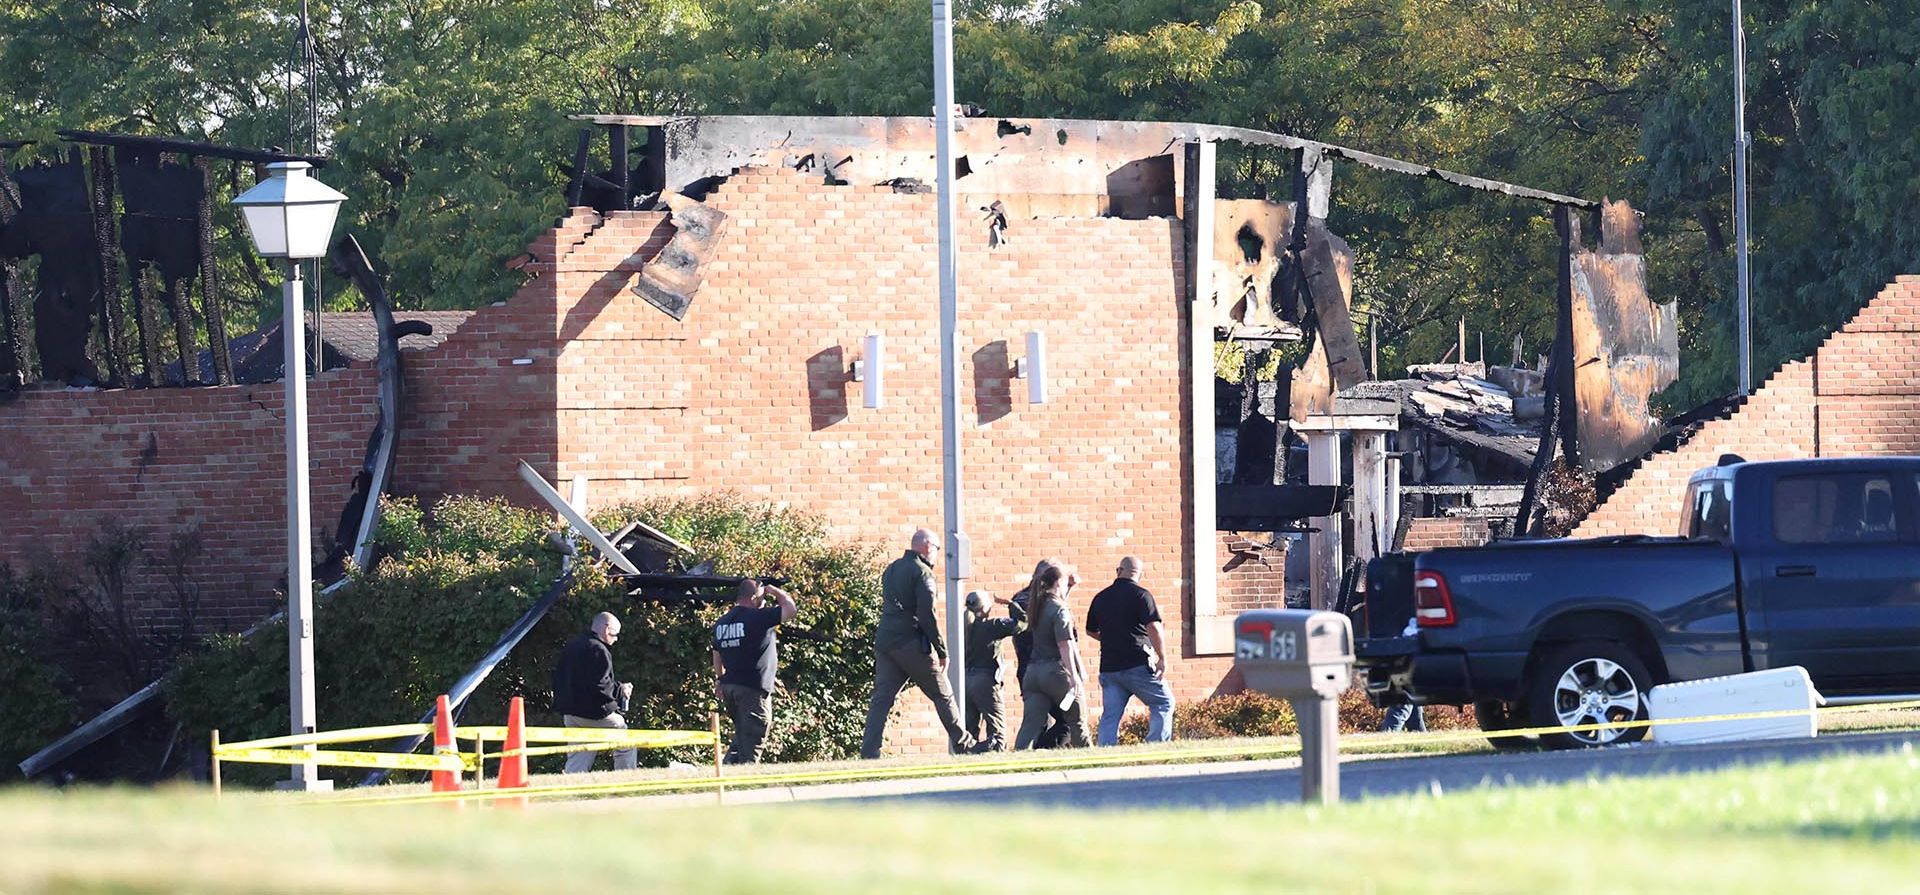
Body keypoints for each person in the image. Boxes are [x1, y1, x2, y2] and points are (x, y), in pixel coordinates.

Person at [860, 528, 979, 758]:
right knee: (942, 692)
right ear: (927, 546)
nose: (937, 554)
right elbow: (927, 615)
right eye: (937, 549)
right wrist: (942, 650)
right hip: (910, 643)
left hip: (886, 642)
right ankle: (964, 744)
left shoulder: (891, 569)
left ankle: (869, 751)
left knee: (881, 700)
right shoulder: (923, 573)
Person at [1086, 556, 1176, 745]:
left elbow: (1090, 630)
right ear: (1140, 575)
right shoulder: (1141, 595)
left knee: (1111, 715)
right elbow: (1154, 627)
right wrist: (1162, 657)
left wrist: (1110, 639)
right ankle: (1156, 747)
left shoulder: (1101, 597)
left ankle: (1106, 752)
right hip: (1138, 663)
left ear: (1118, 571)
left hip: (1109, 667)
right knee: (1163, 702)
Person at [710, 578, 797, 764]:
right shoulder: (758, 617)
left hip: (730, 688)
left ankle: (729, 769)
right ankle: (744, 775)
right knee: (752, 739)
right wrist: (774, 591)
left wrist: (720, 679)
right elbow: (790, 609)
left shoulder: (722, 623)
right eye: (761, 597)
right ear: (754, 597)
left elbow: (716, 655)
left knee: (742, 735)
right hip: (752, 690)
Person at [1013, 563, 1092, 749]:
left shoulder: (1035, 607)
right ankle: (1089, 758)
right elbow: (1065, 645)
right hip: (1055, 672)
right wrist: (1075, 676)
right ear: (1058, 583)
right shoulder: (1059, 610)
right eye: (1065, 584)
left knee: (1030, 726)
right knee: (1077, 721)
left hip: (1033, 673)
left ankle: (1019, 758)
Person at [551, 611, 636, 773]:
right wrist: (621, 690)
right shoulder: (599, 649)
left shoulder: (572, 645)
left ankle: (572, 785)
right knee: (626, 743)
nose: (616, 639)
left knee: (578, 756)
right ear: (606, 630)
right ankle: (626, 778)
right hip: (594, 714)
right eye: (615, 634)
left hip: (570, 713)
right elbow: (601, 685)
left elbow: (560, 678)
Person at [961, 589, 1027, 751]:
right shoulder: (992, 625)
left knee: (969, 731)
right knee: (997, 734)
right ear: (985, 608)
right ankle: (992, 753)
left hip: (965, 680)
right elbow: (1022, 622)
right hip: (985, 681)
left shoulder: (962, 629)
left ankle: (970, 755)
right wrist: (1011, 604)